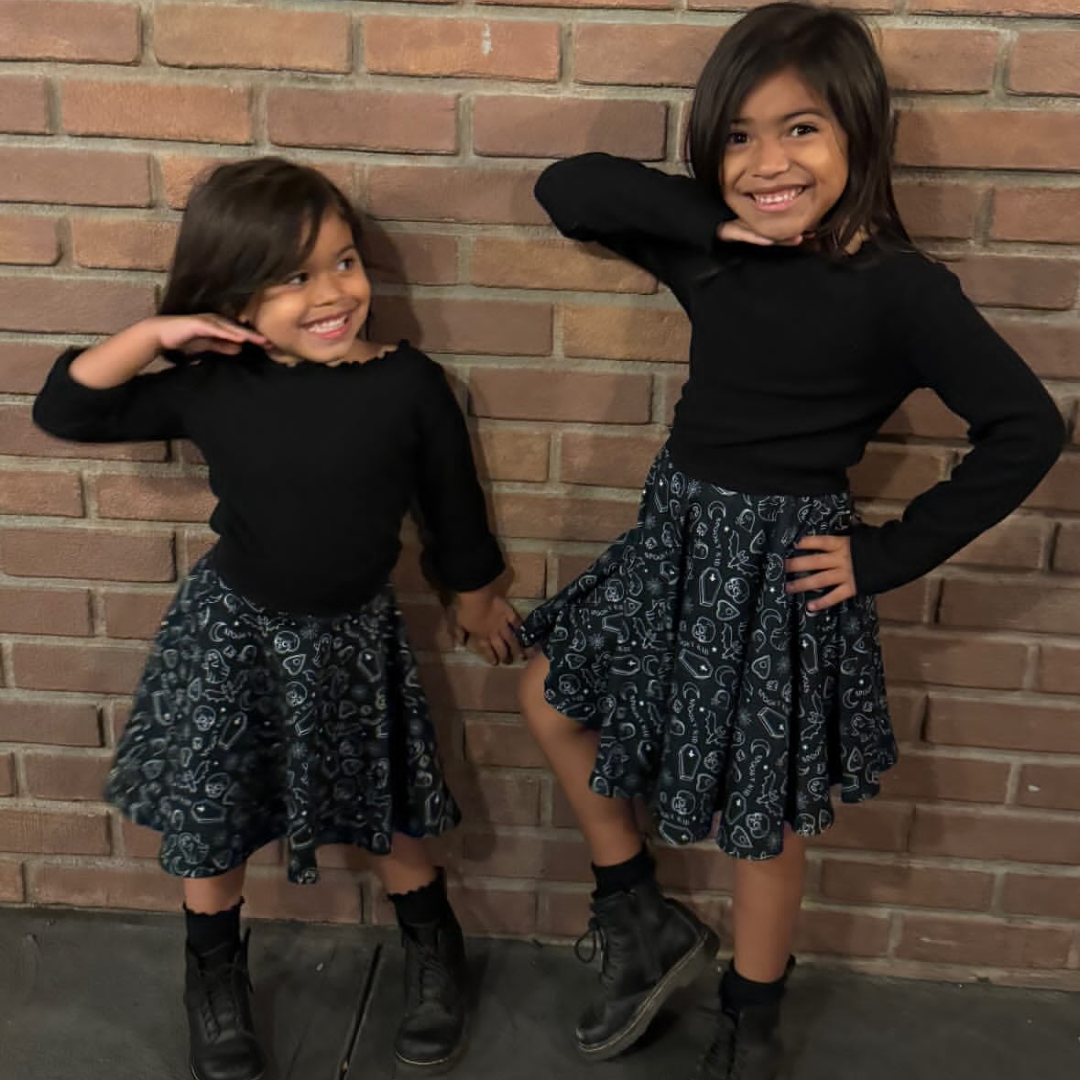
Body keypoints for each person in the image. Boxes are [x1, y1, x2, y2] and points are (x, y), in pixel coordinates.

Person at [516, 5, 1065, 1078]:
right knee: (548, 693)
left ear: (861, 132)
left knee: (758, 818)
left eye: (801, 130)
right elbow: (567, 187)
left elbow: (1027, 429)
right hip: (674, 540)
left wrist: (883, 556)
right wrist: (713, 216)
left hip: (782, 571)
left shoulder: (904, 289)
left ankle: (751, 1017)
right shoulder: (711, 257)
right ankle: (641, 915)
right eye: (739, 135)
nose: (769, 161)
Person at [33, 157, 521, 1080]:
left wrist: (476, 592)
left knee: (389, 812)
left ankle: (432, 951)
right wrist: (160, 332)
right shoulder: (213, 383)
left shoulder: (409, 383)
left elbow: (452, 506)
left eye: (343, 262)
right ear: (234, 296)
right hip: (233, 639)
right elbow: (65, 407)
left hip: (351, 641)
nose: (332, 293)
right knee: (218, 819)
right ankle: (212, 978)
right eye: (293, 278)